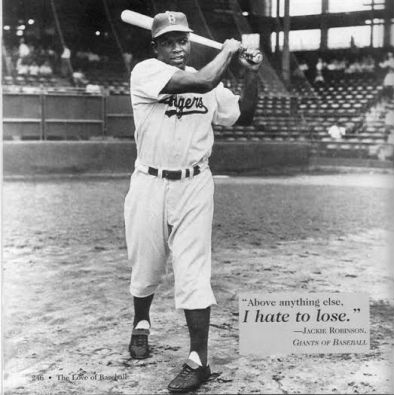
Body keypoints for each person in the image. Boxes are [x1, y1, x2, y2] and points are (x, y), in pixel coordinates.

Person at [124, 10, 261, 393]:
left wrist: (251, 73)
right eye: (168, 41)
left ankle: (198, 359)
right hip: (148, 181)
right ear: (156, 47)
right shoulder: (146, 73)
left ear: (189, 42)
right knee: (145, 263)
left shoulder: (212, 89)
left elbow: (245, 115)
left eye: (181, 40)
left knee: (193, 270)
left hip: (194, 184)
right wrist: (231, 50)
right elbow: (202, 80)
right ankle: (141, 323)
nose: (176, 47)